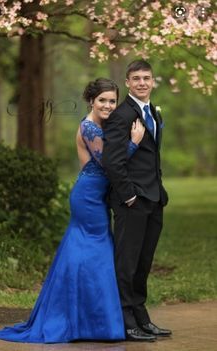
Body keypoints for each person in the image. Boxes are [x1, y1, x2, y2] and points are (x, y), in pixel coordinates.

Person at [0, 78, 145, 344]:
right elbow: (109, 163)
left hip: (97, 195)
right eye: (103, 100)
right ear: (91, 100)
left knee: (88, 251)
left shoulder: (103, 125)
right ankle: (90, 321)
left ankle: (88, 318)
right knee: (96, 251)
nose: (108, 105)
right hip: (87, 198)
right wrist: (133, 142)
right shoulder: (89, 128)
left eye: (112, 100)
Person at [102, 60, 172, 342]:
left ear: (152, 81)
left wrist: (158, 191)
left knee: (143, 263)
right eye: (136, 78)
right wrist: (128, 195)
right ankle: (126, 320)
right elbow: (112, 162)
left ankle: (141, 316)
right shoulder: (121, 115)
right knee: (127, 263)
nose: (142, 82)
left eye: (146, 78)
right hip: (132, 201)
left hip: (154, 199)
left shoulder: (152, 112)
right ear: (127, 83)